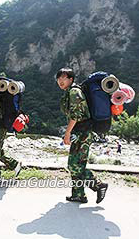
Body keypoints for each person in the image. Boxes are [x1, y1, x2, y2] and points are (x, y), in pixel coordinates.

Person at [56, 68, 108, 204]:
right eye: (59, 78)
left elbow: (76, 115)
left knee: (74, 165)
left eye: (64, 78)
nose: (60, 81)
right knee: (76, 164)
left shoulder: (74, 92)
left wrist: (67, 133)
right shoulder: (69, 92)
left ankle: (98, 185)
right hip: (80, 132)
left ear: (71, 79)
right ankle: (78, 194)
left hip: (83, 132)